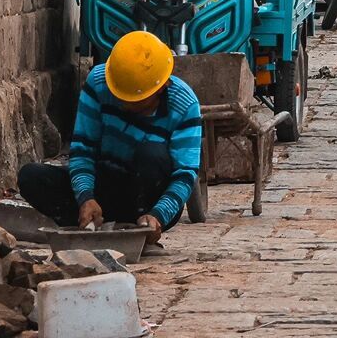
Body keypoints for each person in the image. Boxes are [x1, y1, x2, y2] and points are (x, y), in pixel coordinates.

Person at [17, 31, 201, 241]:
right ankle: (87, 224)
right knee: (31, 176)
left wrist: (158, 215)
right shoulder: (98, 83)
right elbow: (82, 151)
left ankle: (141, 229)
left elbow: (185, 175)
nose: (125, 105)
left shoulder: (185, 105)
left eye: (136, 101)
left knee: (152, 153)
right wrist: (86, 197)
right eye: (120, 97)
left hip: (150, 195)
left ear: (161, 87)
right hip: (105, 184)